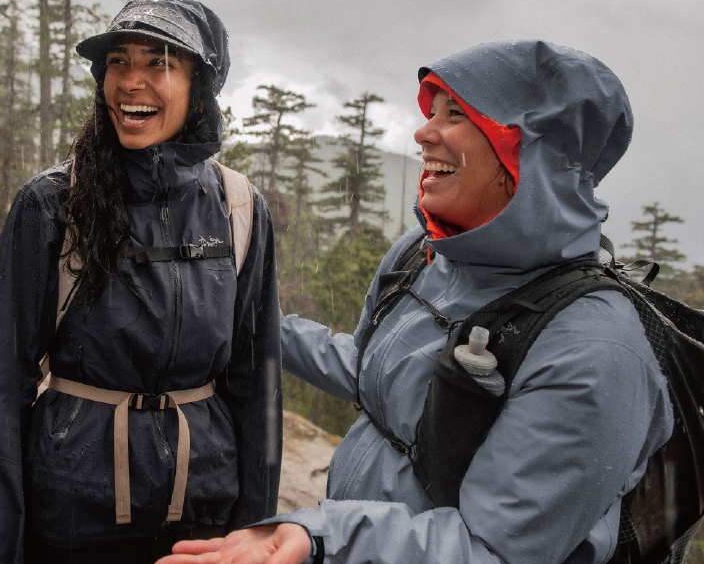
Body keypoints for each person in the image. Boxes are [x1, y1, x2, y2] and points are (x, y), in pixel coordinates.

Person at [159, 40, 673, 564]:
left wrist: (323, 539)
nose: (423, 132)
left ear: (531, 151)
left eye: (455, 114)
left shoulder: (595, 349)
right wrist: (248, 317)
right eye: (430, 112)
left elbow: (496, 550)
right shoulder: (420, 257)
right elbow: (371, 370)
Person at [0, 0, 282, 563]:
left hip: (201, 513)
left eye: (159, 63)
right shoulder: (52, 205)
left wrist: (253, 532)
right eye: (117, 61)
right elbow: (1, 391)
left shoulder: (239, 209)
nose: (131, 81)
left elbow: (256, 384)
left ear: (199, 86)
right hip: (74, 512)